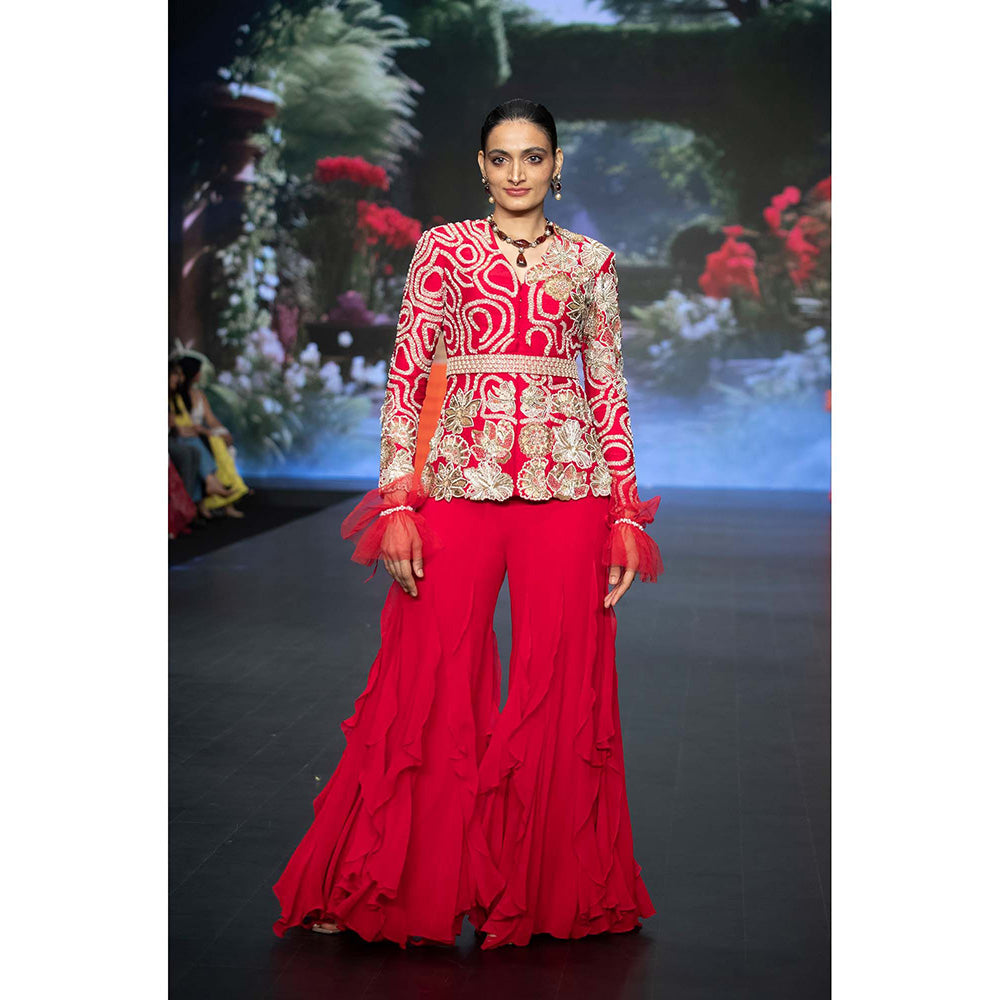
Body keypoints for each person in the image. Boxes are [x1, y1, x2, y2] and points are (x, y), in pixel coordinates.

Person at [272, 99, 664, 951]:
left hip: (569, 488)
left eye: (533, 156)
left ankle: (555, 894)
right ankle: (381, 885)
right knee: (429, 678)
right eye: (501, 157)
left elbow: (607, 388)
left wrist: (626, 514)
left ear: (557, 164)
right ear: (482, 167)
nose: (517, 172)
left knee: (559, 686)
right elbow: (407, 377)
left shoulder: (591, 263)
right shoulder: (444, 250)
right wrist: (397, 501)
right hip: (458, 481)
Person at [172, 355, 249, 518]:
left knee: (221, 443)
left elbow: (210, 419)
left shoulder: (197, 395)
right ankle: (217, 488)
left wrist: (222, 431)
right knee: (211, 445)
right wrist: (205, 432)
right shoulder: (176, 397)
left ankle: (226, 491)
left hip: (196, 434)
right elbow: (183, 427)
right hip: (191, 436)